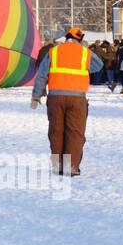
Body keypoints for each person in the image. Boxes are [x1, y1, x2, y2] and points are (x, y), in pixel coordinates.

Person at [30, 27, 104, 177]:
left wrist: (36, 96)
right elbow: (98, 66)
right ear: (80, 39)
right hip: (77, 99)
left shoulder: (54, 51)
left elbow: (42, 75)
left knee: (56, 131)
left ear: (66, 37)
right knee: (75, 133)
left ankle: (57, 166)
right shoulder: (85, 53)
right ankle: (71, 167)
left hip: (55, 98)